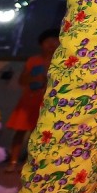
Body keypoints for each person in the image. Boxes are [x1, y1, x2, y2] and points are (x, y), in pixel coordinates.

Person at [4, 27, 57, 169]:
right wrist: (33, 78)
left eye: (55, 40)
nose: (52, 44)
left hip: (47, 104)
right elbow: (22, 81)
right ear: (41, 44)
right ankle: (13, 162)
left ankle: (34, 164)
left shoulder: (61, 62)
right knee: (20, 131)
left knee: (41, 135)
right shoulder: (33, 60)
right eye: (48, 41)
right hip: (28, 103)